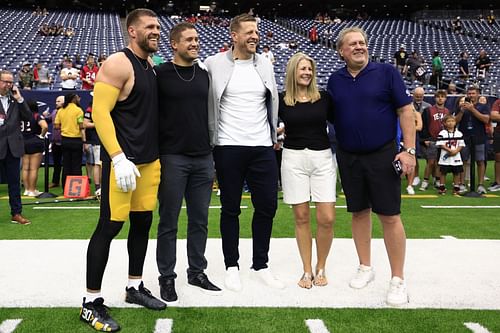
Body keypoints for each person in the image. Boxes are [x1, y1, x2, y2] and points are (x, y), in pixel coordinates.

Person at [79, 8, 165, 333]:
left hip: (148, 162)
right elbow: (100, 113)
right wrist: (116, 157)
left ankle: (134, 287)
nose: (156, 31)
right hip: (124, 163)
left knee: (142, 223)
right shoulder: (118, 63)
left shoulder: (149, 66)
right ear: (132, 30)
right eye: (150, 27)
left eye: (158, 26)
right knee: (109, 227)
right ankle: (90, 302)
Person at [327, 27, 415, 306]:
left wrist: (409, 150)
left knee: (390, 215)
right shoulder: (335, 80)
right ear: (341, 50)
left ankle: (398, 279)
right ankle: (365, 266)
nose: (359, 47)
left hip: (383, 153)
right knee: (358, 213)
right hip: (349, 155)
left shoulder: (387, 72)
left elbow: (405, 111)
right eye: (352, 44)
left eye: (362, 43)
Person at [204, 13, 284, 292]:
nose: (254, 36)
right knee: (230, 209)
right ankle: (231, 265)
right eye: (249, 32)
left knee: (267, 207)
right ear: (234, 36)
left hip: (262, 147)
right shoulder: (213, 64)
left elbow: (271, 101)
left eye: (257, 32)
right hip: (228, 147)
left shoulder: (265, 64)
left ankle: (260, 264)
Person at [155, 22, 222, 305]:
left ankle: (197, 271)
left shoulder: (205, 75)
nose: (195, 43)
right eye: (189, 40)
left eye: (197, 39)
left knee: (200, 220)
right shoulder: (159, 74)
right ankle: (166, 277)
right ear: (174, 43)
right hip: (172, 158)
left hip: (203, 157)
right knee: (168, 221)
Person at [279, 52, 336, 289]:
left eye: (310, 69)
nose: (307, 73)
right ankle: (306, 270)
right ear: (293, 71)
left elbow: (338, 123)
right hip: (293, 159)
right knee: (301, 216)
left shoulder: (324, 97)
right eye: (302, 69)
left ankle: (321, 266)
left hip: (322, 159)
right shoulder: (282, 100)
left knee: (327, 217)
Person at [0, 70, 32, 225]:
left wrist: (20, 99)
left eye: (10, 82)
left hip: (13, 146)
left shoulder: (15, 100)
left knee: (14, 182)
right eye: (5, 81)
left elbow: (28, 117)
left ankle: (16, 213)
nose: (8, 85)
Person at [454, 86, 490, 194]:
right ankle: (462, 184)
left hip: (479, 137)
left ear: (478, 94)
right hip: (464, 137)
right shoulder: (461, 106)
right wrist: (461, 111)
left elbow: (486, 119)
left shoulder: (483, 106)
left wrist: (472, 109)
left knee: (480, 161)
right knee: (463, 161)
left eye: (473, 93)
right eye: (469, 93)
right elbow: (455, 121)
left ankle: (480, 184)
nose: (471, 95)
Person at [419, 90, 450, 191]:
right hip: (431, 139)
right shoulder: (429, 110)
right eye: (438, 97)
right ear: (434, 98)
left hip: (443, 139)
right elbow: (423, 125)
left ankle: (437, 179)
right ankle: (425, 181)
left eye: (442, 96)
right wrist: (425, 139)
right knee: (431, 162)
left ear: (445, 98)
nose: (440, 98)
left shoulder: (447, 111)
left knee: (439, 162)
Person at [54, 93, 86, 189]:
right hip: (76, 140)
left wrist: (65, 127)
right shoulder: (78, 110)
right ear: (73, 99)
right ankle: (77, 188)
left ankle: (65, 187)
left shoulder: (61, 111)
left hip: (65, 140)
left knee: (66, 164)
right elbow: (81, 125)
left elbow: (56, 126)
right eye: (77, 98)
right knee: (76, 165)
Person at [21, 100, 48, 197]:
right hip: (34, 142)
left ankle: (26, 190)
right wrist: (41, 136)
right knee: (33, 168)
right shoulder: (36, 115)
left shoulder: (20, 116)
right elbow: (45, 126)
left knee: (25, 168)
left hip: (22, 142)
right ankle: (32, 190)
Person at [436, 114, 465, 195]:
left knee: (456, 172)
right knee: (443, 172)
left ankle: (456, 187)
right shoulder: (442, 133)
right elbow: (441, 144)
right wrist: (449, 150)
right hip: (445, 156)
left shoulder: (459, 133)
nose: (450, 123)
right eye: (448, 121)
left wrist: (455, 151)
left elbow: (461, 144)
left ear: (455, 122)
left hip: (456, 156)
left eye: (452, 121)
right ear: (444, 123)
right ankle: (442, 187)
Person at [83, 95, 102, 197]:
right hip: (96, 139)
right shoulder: (90, 109)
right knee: (97, 164)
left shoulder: (102, 106)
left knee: (101, 164)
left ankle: (102, 186)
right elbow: (85, 124)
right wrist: (100, 124)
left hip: (104, 139)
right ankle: (98, 187)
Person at [47, 95, 65, 188]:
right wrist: (45, 116)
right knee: (56, 163)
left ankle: (65, 181)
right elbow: (48, 120)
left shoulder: (66, 112)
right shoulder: (54, 112)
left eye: (58, 101)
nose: (56, 103)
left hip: (65, 140)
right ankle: (55, 181)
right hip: (55, 141)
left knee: (66, 163)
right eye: (56, 101)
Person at [489, 99, 500, 192]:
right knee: (498, 157)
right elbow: (493, 116)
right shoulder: (498, 102)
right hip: (499, 132)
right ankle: (498, 182)